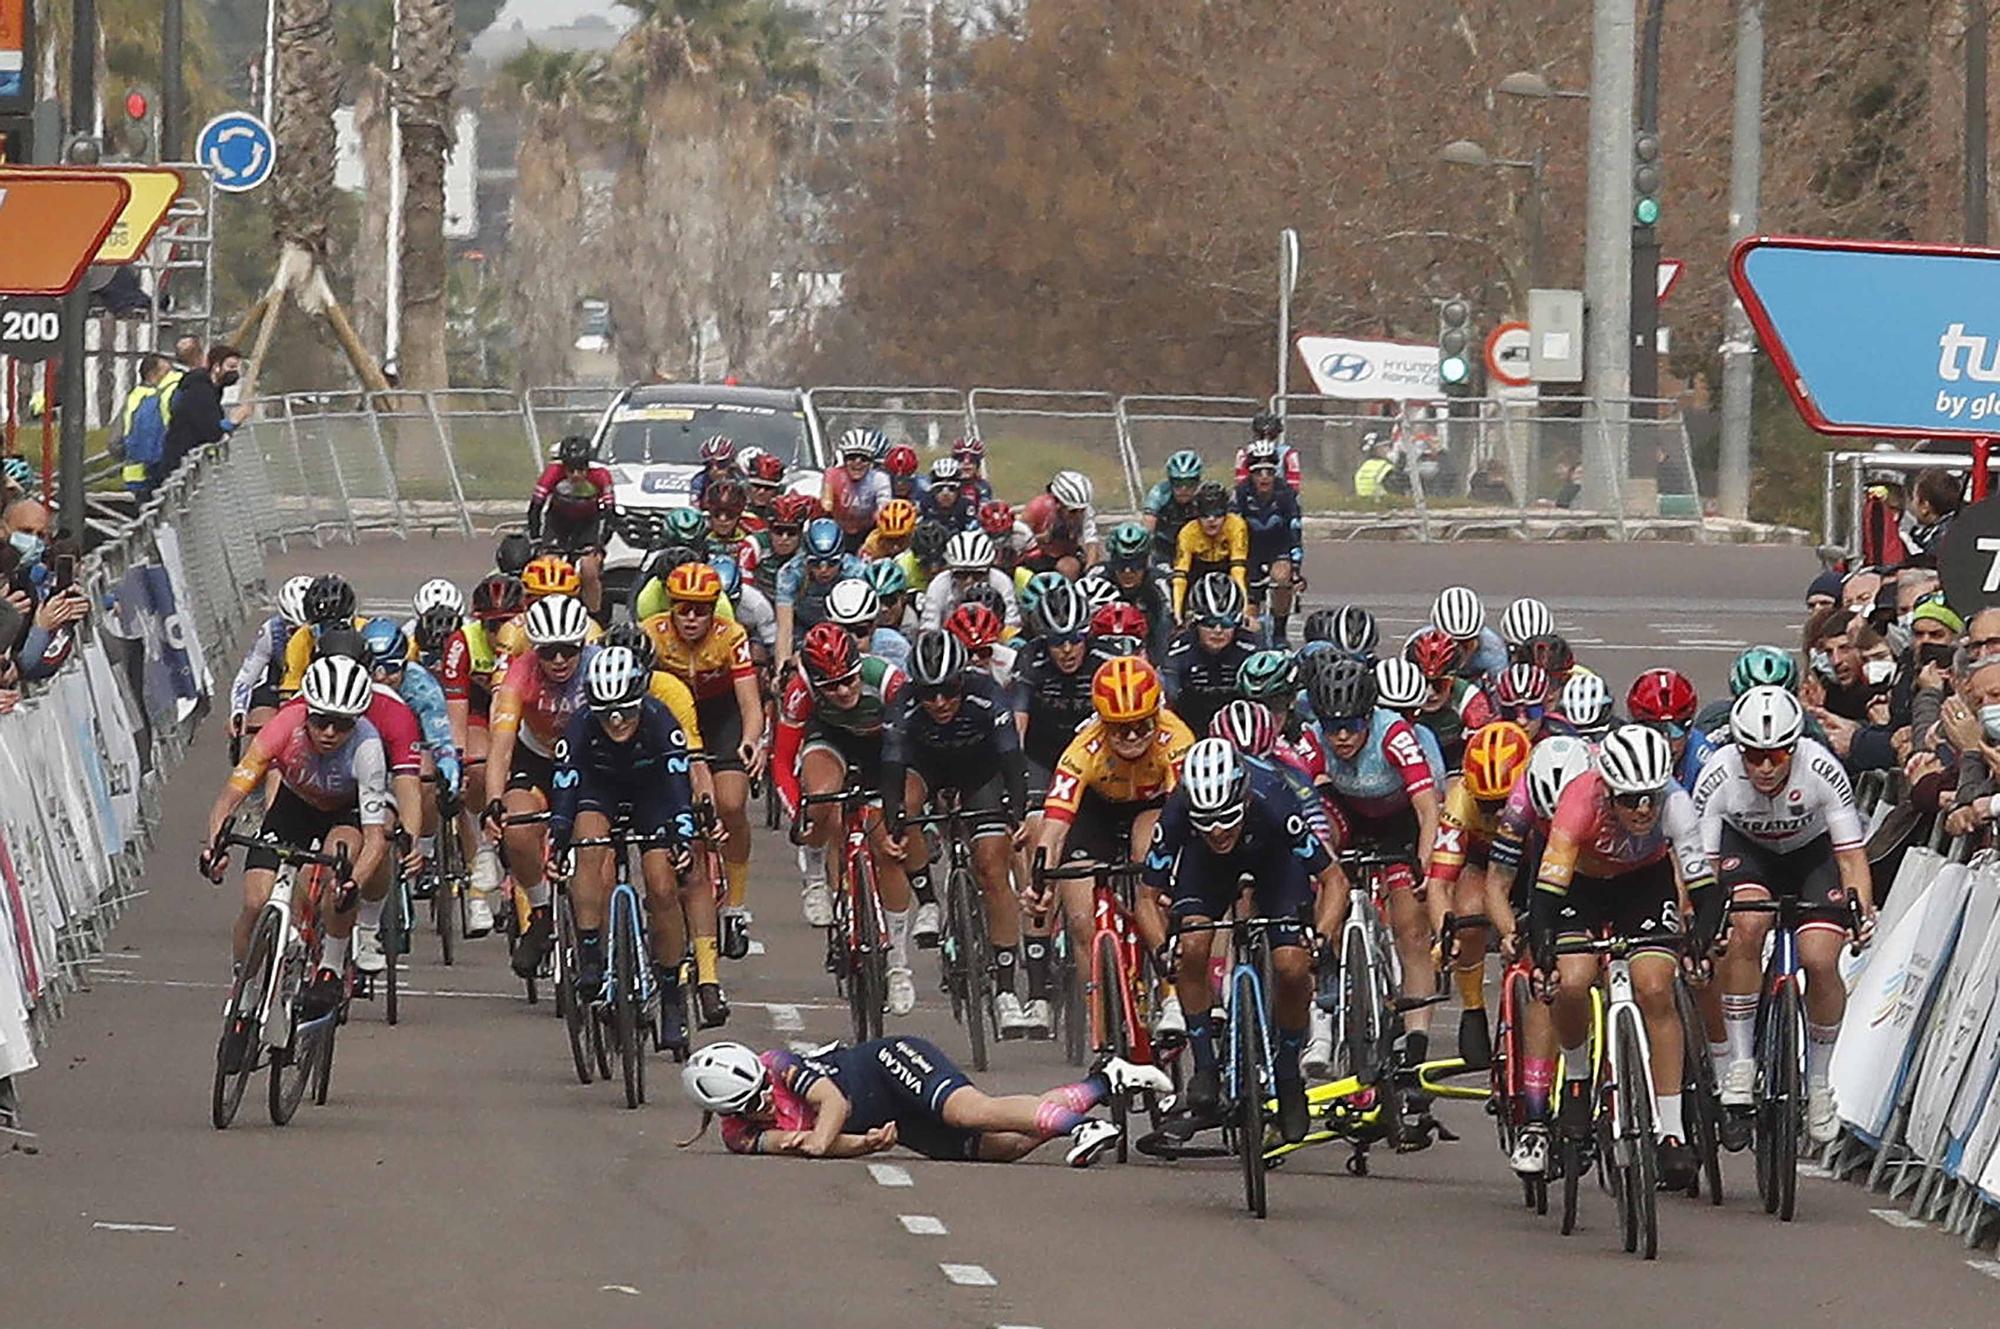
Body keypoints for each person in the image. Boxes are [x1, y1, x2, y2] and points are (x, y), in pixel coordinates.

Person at [1530, 724, 1722, 1193]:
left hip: (1644, 885)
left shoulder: (1675, 804)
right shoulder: (1579, 800)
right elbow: (1546, 894)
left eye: (1650, 799)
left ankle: (1671, 1129)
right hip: (1581, 886)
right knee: (1573, 981)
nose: (1642, 810)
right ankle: (1576, 1077)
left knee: (1656, 986)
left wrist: (1698, 939)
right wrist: (1543, 952)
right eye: (1630, 800)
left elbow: (1706, 890)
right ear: (1608, 792)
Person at [1694, 687, 1874, 1148]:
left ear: (1794, 748)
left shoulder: (1821, 770)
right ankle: (1739, 1062)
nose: (1765, 767)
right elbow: (1702, 869)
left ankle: (1818, 1083)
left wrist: (1861, 910)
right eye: (1753, 755)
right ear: (1738, 749)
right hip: (1746, 854)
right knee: (1747, 925)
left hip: (1812, 857)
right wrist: (1703, 924)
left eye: (1776, 755)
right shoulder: (1717, 776)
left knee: (1818, 957)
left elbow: (1851, 857)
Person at [1148, 739, 1344, 1141]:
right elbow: (1146, 896)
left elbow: (1334, 880)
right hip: (1206, 869)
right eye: (1205, 820)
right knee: (1192, 946)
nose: (1217, 829)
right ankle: (1204, 1066)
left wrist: (1320, 937)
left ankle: (1290, 1078)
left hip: (1276, 865)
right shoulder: (1178, 808)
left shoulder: (1273, 799)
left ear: (1244, 800)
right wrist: (1160, 950)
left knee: (1291, 966)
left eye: (1227, 816)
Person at [201, 656, 391, 1019]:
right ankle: (244, 986)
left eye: (342, 724)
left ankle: (331, 966)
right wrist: (215, 846)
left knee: (341, 860)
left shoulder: (368, 748)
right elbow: (230, 796)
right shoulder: (283, 726)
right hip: (294, 806)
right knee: (255, 903)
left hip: (343, 812)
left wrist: (353, 884)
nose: (330, 732)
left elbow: (375, 838)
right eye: (320, 720)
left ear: (357, 722)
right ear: (306, 712)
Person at [548, 646, 722, 1030]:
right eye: (606, 714)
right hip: (601, 788)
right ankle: (591, 954)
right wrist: (559, 840)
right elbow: (565, 783)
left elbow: (678, 783)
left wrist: (681, 836)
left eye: (626, 711)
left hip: (653, 793)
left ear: (641, 699)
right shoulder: (579, 725)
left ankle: (672, 996)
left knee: (662, 885)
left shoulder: (661, 720)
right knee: (587, 843)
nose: (616, 722)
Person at [1028, 656, 1194, 1037]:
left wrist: (1172, 878)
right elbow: (1053, 828)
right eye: (1120, 729)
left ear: (1158, 715)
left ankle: (1170, 996)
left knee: (1148, 854)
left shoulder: (1177, 737)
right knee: (1082, 917)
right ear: (1103, 724)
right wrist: (1039, 884)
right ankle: (1101, 1026)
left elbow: (1182, 818)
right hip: (1096, 809)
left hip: (1153, 806)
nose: (1133, 737)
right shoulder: (1083, 749)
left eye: (1141, 726)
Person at [880, 631, 1034, 1037]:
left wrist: (1016, 812)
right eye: (930, 694)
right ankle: (927, 900)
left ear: (961, 680)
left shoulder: (986, 693)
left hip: (979, 774)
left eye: (948, 691)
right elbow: (892, 765)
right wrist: (895, 817)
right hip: (925, 770)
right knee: (902, 809)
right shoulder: (905, 704)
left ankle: (1005, 990)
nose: (940, 702)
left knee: (991, 868)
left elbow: (1010, 755)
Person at [679, 1038, 1168, 1165]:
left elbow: (830, 1107)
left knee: (970, 1110)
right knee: (1005, 1146)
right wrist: (866, 1146)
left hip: (889, 1065)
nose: (766, 1101)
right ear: (730, 1113)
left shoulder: (776, 1061)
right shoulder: (737, 1135)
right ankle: (1105, 1082)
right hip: (894, 1121)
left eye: (764, 1089)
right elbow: (806, 1142)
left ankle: (1078, 1128)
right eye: (753, 1104)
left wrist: (824, 1141)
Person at [773, 623, 920, 1012]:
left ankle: (899, 967)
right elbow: (782, 762)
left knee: (888, 851)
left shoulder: (889, 681)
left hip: (883, 750)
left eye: (849, 680)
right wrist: (798, 814)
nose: (842, 691)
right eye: (831, 686)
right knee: (821, 799)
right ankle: (817, 876)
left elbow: (910, 747)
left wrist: (898, 812)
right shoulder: (800, 691)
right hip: (830, 743)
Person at [640, 563, 765, 957]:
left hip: (720, 717)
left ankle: (736, 905)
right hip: (671, 718)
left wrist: (751, 740)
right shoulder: (652, 633)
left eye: (701, 609)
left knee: (729, 803)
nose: (692, 618)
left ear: (715, 609)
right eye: (683, 608)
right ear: (671, 606)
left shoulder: (732, 636)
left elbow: (749, 702)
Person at [525, 435, 614, 616]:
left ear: (588, 466)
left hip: (588, 523)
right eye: (570, 469)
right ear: (562, 466)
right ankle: (544, 612)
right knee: (547, 567)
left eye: (581, 469)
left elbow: (609, 515)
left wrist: (601, 543)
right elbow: (535, 508)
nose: (575, 475)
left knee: (589, 570)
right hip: (558, 522)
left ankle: (595, 616)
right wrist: (536, 538)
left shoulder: (601, 476)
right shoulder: (552, 473)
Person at [1234, 440, 1303, 643]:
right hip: (1250, 549)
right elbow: (1232, 529)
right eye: (1258, 472)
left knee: (1282, 579)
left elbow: (1295, 531)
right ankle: (1250, 637)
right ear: (1251, 475)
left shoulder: (1286, 494)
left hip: (1277, 546)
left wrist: (1296, 568)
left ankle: (1280, 632)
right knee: (1250, 601)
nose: (1264, 477)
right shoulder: (1240, 493)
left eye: (1269, 472)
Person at [161, 344, 251, 476]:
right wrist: (232, 421)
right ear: (216, 367)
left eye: (237, 368)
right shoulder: (199, 389)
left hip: (189, 460)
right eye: (231, 367)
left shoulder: (213, 390)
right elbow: (211, 431)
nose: (234, 372)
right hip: (181, 461)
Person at [1171, 482, 1249, 623]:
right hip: (1197, 571)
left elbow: (1238, 569)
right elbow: (1180, 577)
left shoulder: (1236, 525)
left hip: (1229, 568)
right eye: (1205, 515)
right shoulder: (1188, 532)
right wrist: (1178, 614)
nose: (1211, 520)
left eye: (1218, 514)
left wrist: (1243, 608)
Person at [822, 429, 892, 548]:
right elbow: (826, 505)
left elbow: (884, 510)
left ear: (871, 462)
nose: (857, 462)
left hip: (868, 532)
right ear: (843, 460)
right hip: (837, 530)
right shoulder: (833, 475)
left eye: (864, 459)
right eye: (851, 458)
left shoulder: (879, 479)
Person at [113, 353, 171, 497]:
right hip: (163, 473)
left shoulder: (133, 397)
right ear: (153, 374)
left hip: (134, 475)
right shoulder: (165, 395)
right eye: (167, 372)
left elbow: (114, 442)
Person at [1143, 451, 1206, 567]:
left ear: (1198, 481)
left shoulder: (1205, 494)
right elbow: (1148, 527)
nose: (1183, 489)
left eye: (1190, 483)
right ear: (1170, 482)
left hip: (1196, 549)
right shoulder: (1159, 493)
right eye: (1177, 483)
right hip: (1165, 551)